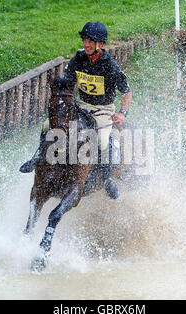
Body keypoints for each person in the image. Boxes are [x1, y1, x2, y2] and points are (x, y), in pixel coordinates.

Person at [20, 21, 132, 199]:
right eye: (85, 40)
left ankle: (106, 177)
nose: (86, 45)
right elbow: (66, 83)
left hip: (103, 110)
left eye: (90, 41)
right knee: (47, 125)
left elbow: (127, 92)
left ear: (100, 44)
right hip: (81, 106)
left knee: (103, 140)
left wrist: (122, 113)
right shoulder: (78, 59)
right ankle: (38, 158)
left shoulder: (110, 64)